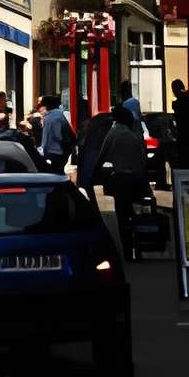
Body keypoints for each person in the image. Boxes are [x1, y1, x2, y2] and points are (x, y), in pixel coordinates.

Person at [77, 98, 152, 261]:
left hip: (120, 179)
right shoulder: (133, 135)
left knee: (122, 215)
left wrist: (93, 177)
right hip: (136, 179)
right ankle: (138, 246)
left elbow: (102, 156)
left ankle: (127, 250)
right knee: (136, 214)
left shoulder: (113, 134)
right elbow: (141, 159)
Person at [37, 91, 76, 174]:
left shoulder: (50, 118)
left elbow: (49, 138)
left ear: (46, 106)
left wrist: (42, 151)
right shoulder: (61, 115)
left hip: (54, 153)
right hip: (62, 153)